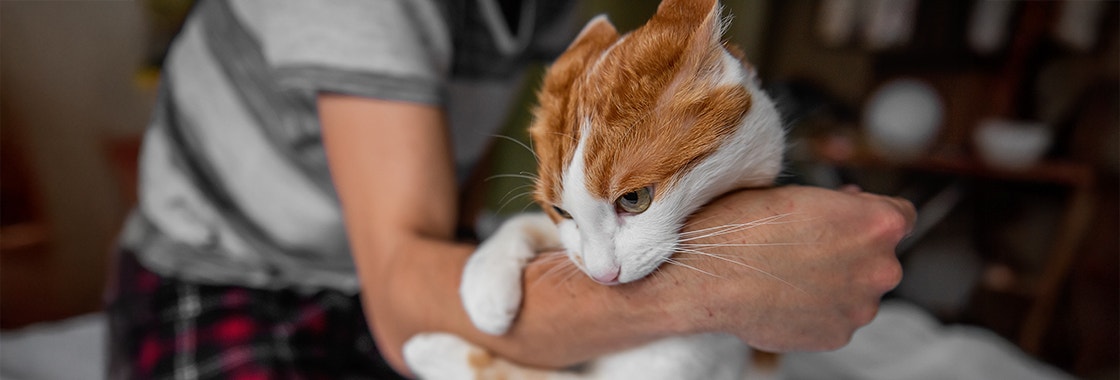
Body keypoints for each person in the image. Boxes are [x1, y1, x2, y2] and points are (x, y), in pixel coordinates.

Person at [107, 0, 915, 378]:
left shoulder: (547, 12)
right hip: (231, 272)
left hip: (401, 249)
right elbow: (399, 301)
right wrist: (727, 281)